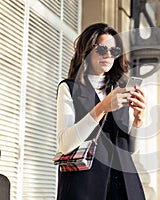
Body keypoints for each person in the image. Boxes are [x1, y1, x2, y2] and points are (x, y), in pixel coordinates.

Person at [56, 23, 146, 200]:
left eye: (114, 49)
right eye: (102, 48)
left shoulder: (119, 89)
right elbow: (65, 144)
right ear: (87, 50)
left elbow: (128, 150)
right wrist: (102, 108)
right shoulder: (70, 88)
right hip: (84, 185)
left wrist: (138, 121)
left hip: (123, 185)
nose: (108, 54)